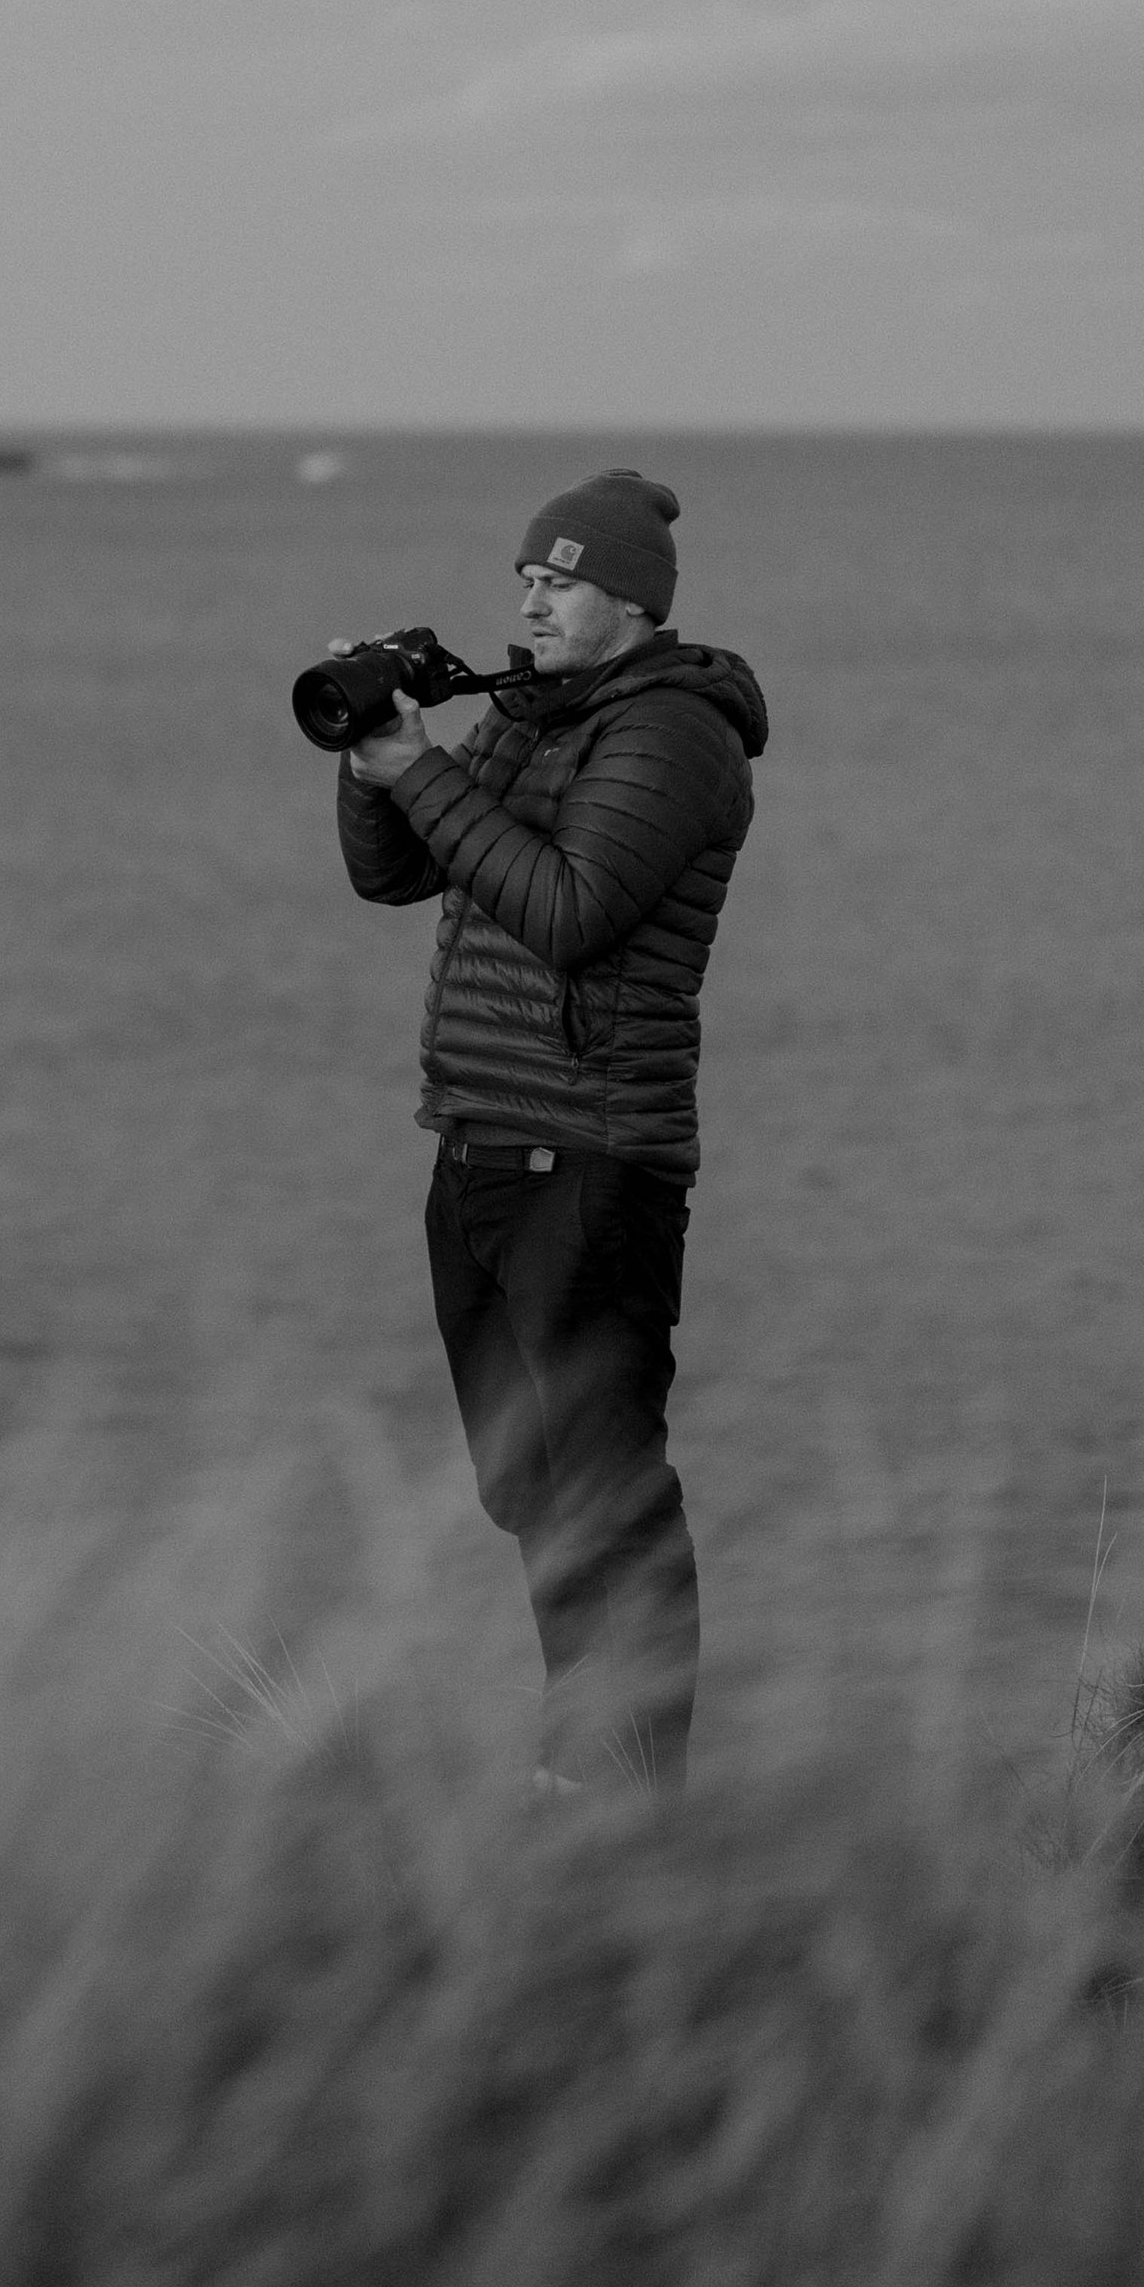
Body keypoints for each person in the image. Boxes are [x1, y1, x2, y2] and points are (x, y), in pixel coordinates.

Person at [332, 469, 766, 1794]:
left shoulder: (675, 732)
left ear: (631, 601)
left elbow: (574, 911)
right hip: (477, 1148)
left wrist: (424, 774)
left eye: (561, 580)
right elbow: (394, 871)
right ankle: (581, 1767)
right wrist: (373, 761)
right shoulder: (529, 714)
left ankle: (626, 1786)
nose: (531, 599)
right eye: (527, 576)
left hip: (591, 1155)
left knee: (608, 1488)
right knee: (530, 1486)